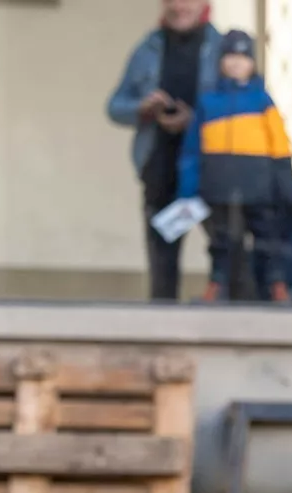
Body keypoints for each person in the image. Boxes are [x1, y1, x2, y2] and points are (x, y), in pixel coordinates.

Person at [106, 0, 222, 302]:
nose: (179, 6)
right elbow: (115, 107)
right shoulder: (147, 49)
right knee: (162, 269)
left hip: (208, 171)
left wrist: (194, 121)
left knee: (226, 257)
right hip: (160, 169)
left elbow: (243, 108)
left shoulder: (222, 49)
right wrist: (143, 109)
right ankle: (162, 334)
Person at [177, 29, 292, 303]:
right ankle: (215, 287)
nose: (236, 63)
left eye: (243, 57)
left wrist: (286, 185)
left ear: (253, 63)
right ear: (220, 61)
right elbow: (191, 151)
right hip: (218, 185)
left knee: (268, 239)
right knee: (221, 242)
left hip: (258, 185)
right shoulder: (208, 103)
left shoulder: (263, 102)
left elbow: (280, 146)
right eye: (230, 56)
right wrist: (188, 189)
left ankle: (277, 287)